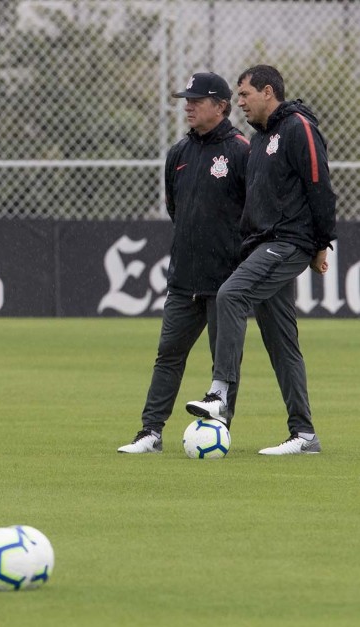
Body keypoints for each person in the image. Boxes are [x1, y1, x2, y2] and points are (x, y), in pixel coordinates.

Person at [185, 65, 336, 455]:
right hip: (261, 245)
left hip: (287, 242)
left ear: (268, 92)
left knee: (230, 295)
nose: (240, 103)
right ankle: (304, 435)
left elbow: (319, 183)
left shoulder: (298, 127)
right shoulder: (260, 139)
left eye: (245, 95)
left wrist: (322, 243)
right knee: (282, 342)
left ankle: (219, 393)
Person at [118, 72, 249, 454]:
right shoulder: (178, 153)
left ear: (221, 106)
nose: (188, 106)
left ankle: (219, 431)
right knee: (168, 356)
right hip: (184, 278)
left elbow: (253, 212)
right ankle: (150, 432)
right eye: (185, 99)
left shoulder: (241, 151)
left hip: (226, 280)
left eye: (196, 99)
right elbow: (175, 209)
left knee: (223, 362)